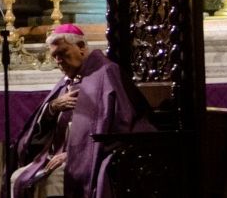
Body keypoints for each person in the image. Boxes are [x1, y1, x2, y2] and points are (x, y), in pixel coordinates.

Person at [12, 24, 149, 198]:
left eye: (62, 53)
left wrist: (72, 154)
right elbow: (41, 127)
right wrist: (53, 107)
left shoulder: (106, 73)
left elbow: (122, 123)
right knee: (17, 178)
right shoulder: (68, 80)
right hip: (56, 154)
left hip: (91, 155)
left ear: (82, 47)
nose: (58, 61)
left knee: (54, 179)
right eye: (54, 56)